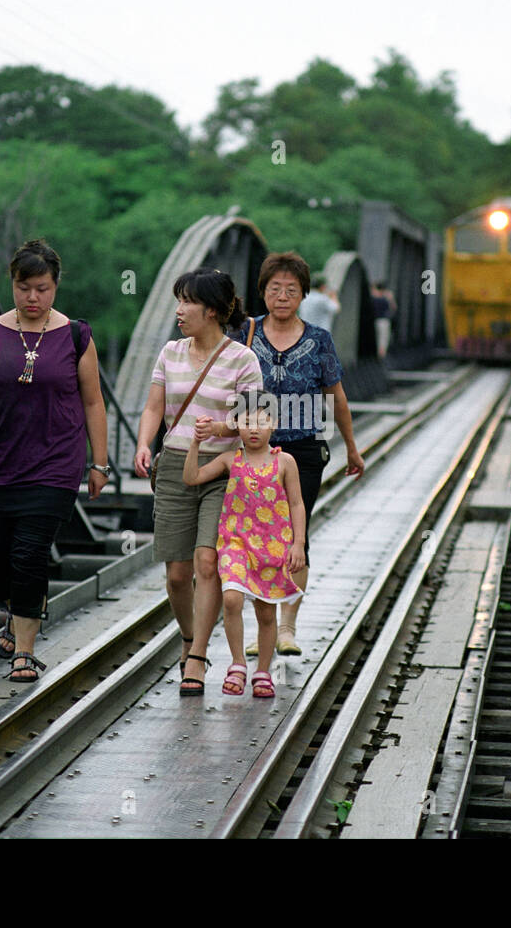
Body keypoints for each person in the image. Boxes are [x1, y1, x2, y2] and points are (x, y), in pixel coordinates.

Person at [0, 238, 110, 683]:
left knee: (29, 553)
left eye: (42, 288)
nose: (32, 298)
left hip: (55, 463)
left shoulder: (76, 336)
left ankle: (25, 651)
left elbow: (94, 403)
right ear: (12, 285)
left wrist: (99, 464)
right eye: (24, 288)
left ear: (55, 287)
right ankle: (17, 610)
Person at [203, 251, 364, 658]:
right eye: (275, 288)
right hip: (250, 451)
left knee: (294, 536)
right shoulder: (244, 333)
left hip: (302, 451)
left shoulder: (319, 340)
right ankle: (265, 627)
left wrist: (352, 447)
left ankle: (286, 626)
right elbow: (220, 386)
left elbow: (337, 397)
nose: (283, 295)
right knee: (254, 539)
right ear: (263, 291)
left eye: (292, 289)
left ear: (304, 295)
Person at [132, 268, 263, 693]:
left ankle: (199, 656)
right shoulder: (170, 352)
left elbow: (255, 420)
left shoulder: (243, 360)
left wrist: (223, 430)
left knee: (208, 562)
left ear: (211, 311)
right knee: (176, 573)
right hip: (174, 466)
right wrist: (143, 443)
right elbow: (154, 407)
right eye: (178, 300)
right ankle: (189, 637)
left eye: (186, 301)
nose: (178, 310)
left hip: (221, 469)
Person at [182, 401, 306, 697]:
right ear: (236, 425)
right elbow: (192, 478)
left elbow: (297, 503)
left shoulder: (285, 462)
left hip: (272, 548)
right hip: (235, 543)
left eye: (261, 422)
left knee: (265, 613)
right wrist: (195, 444)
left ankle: (262, 670)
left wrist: (298, 543)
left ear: (273, 426)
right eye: (247, 422)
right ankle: (238, 663)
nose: (254, 429)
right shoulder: (230, 460)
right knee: (233, 600)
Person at [370, 281, 396, 359]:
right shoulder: (384, 299)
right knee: (383, 339)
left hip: (376, 320)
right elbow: (394, 308)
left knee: (379, 339)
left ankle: (379, 356)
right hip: (384, 321)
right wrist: (390, 298)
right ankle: (381, 356)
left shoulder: (374, 298)